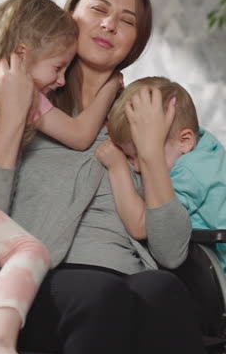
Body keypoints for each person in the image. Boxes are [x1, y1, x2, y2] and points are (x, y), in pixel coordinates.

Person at [0, 0, 212, 354]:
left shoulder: (145, 113)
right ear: (71, 16)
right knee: (100, 296)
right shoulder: (23, 97)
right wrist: (12, 118)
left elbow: (172, 252)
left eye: (127, 20)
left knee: (164, 290)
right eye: (99, 9)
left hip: (127, 280)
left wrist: (152, 153)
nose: (109, 24)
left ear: (135, 43)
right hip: (33, 286)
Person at [0, 0, 122, 354]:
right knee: (29, 249)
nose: (61, 80)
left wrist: (111, 86)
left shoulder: (29, 98)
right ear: (21, 55)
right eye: (57, 67)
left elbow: (82, 134)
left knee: (28, 249)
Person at [96, 75, 226, 270]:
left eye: (139, 155)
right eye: (128, 158)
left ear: (185, 140)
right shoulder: (204, 145)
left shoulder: (189, 173)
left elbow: (143, 226)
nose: (137, 167)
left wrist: (117, 167)